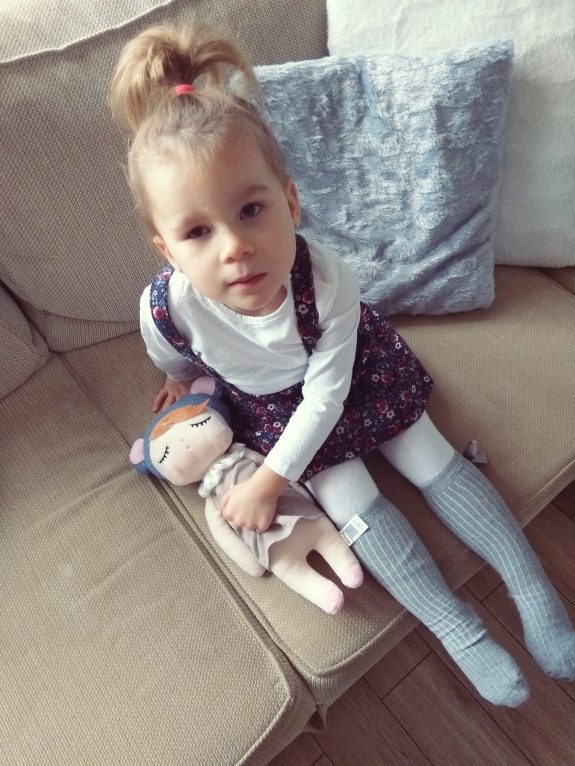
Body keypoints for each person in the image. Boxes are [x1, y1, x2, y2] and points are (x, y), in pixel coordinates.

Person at [111, 22, 575, 707]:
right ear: (166, 249)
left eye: (251, 210)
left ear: (290, 202)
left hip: (350, 376)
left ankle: (530, 587)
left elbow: (326, 398)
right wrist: (179, 376)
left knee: (427, 455)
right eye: (198, 232)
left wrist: (268, 482)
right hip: (272, 408)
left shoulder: (326, 278)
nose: (234, 247)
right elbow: (165, 347)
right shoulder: (165, 307)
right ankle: (459, 630)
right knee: (351, 502)